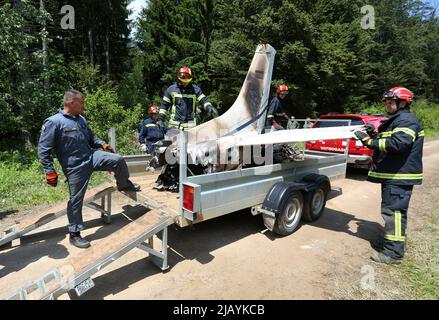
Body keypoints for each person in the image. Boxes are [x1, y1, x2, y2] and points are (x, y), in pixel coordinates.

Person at [38, 89, 141, 249]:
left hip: (91, 157)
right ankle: (75, 234)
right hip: (74, 166)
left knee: (118, 160)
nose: (84, 105)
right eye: (82, 102)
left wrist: (102, 144)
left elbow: (91, 138)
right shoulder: (54, 122)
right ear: (72, 103)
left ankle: (123, 184)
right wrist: (49, 170)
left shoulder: (81, 120)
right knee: (76, 200)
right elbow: (44, 149)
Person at [353, 86, 424, 264]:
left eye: (391, 101)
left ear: (403, 103)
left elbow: (398, 144)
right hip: (395, 175)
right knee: (392, 212)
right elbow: (389, 138)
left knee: (394, 214)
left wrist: (369, 142)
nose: (387, 104)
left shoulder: (407, 121)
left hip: (399, 177)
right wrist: (373, 133)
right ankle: (390, 243)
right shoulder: (398, 120)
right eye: (386, 101)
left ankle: (393, 253)